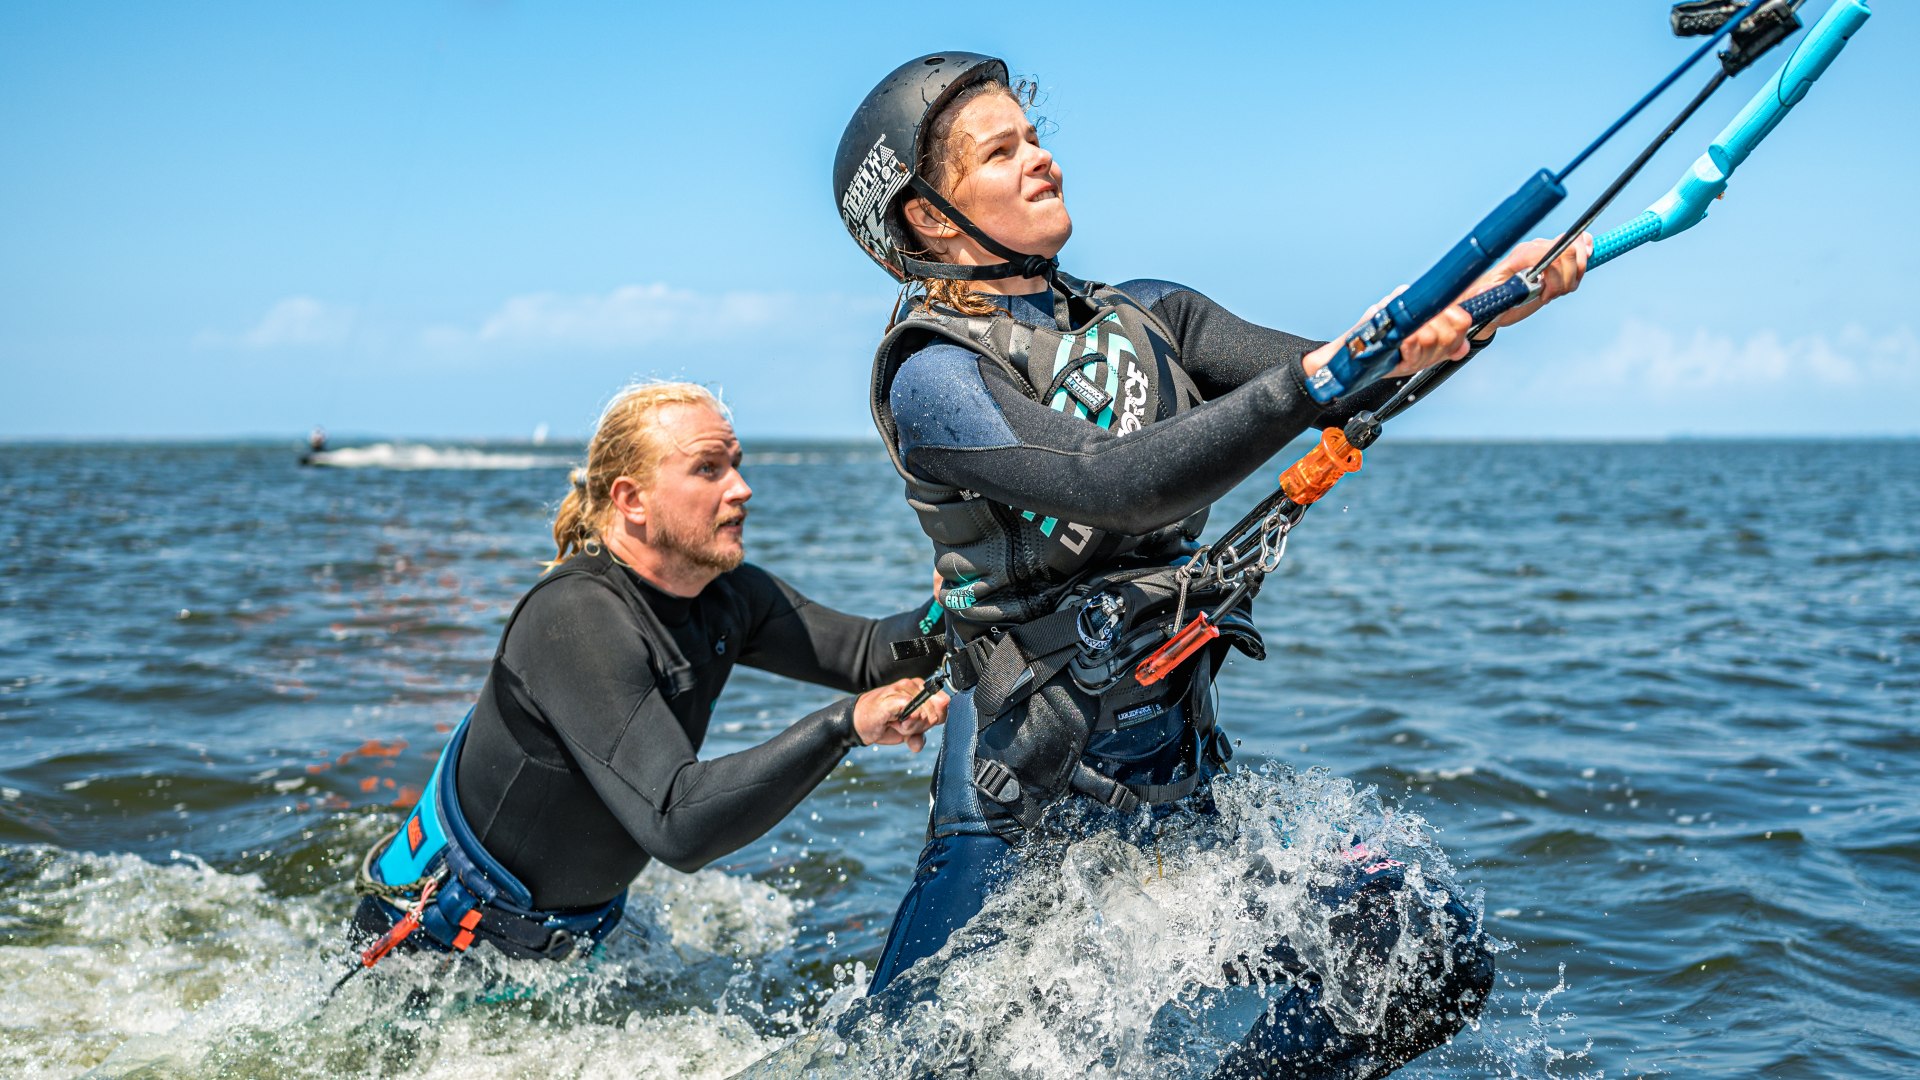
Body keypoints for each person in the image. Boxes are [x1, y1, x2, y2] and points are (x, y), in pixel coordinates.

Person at [833, 54, 1590, 1075]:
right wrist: (1330, 373)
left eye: (1036, 136)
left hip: (1170, 798)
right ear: (927, 219)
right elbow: (1111, 482)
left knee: (1423, 954)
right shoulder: (933, 375)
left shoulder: (1154, 316)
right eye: (1000, 151)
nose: (1041, 159)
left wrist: (1483, 307)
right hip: (1018, 822)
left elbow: (1339, 373)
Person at [348, 381, 949, 963]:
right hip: (429, 951)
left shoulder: (726, 595)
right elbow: (677, 822)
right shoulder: (574, 618)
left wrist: (953, 603)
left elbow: (870, 652)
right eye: (708, 469)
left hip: (570, 948)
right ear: (631, 500)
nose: (741, 489)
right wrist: (845, 725)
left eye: (735, 464)